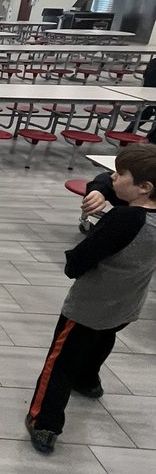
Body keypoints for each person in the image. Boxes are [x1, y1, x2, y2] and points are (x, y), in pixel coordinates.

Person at [26, 144, 156, 454]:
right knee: (103, 338)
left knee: (60, 363)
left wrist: (72, 259)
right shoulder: (140, 213)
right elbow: (105, 182)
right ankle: (88, 380)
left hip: (88, 306)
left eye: (120, 174)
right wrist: (101, 190)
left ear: (144, 187)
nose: (113, 177)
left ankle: (45, 422)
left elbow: (81, 260)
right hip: (128, 303)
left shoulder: (123, 219)